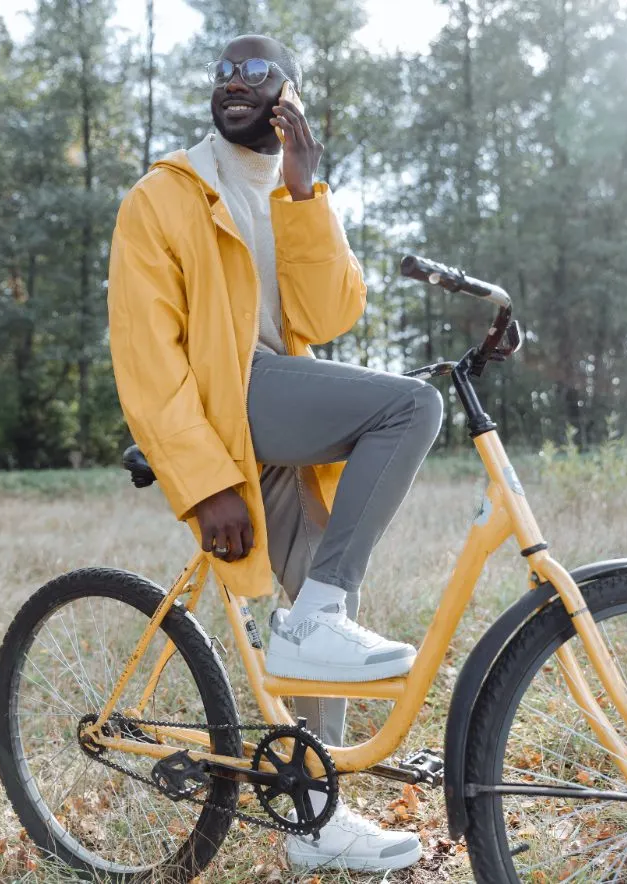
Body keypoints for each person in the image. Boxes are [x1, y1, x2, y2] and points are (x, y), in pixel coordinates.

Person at [107, 32, 442, 873]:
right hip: (231, 405)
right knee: (411, 407)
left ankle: (311, 822)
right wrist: (205, 479)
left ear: (287, 96)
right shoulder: (164, 195)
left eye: (256, 72)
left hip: (281, 414)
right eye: (223, 72)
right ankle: (321, 612)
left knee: (312, 620)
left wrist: (304, 192)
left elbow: (331, 315)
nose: (234, 83)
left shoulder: (293, 192)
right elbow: (146, 357)